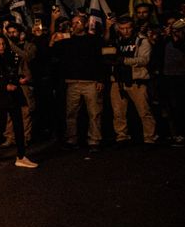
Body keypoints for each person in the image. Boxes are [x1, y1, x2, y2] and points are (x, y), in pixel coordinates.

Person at [51, 14, 106, 151]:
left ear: (86, 24)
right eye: (73, 23)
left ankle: (94, 140)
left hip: (90, 82)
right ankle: (72, 139)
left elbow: (100, 61)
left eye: (78, 22)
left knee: (94, 113)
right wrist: (53, 40)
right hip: (73, 82)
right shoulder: (67, 42)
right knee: (71, 113)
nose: (75, 25)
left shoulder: (94, 40)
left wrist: (100, 79)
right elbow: (52, 52)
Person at [0, 35, 38, 168]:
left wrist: (17, 80)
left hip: (12, 96)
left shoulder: (8, 58)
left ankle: (21, 156)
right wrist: (4, 86)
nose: (1, 47)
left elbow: (12, 72)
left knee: (19, 125)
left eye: (3, 44)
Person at [107, 16, 157, 146]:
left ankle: (149, 138)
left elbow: (144, 60)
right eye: (122, 28)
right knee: (118, 112)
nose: (125, 31)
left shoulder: (141, 40)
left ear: (132, 27)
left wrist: (123, 60)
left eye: (128, 28)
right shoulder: (116, 41)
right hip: (118, 81)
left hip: (136, 80)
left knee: (144, 111)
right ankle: (122, 136)